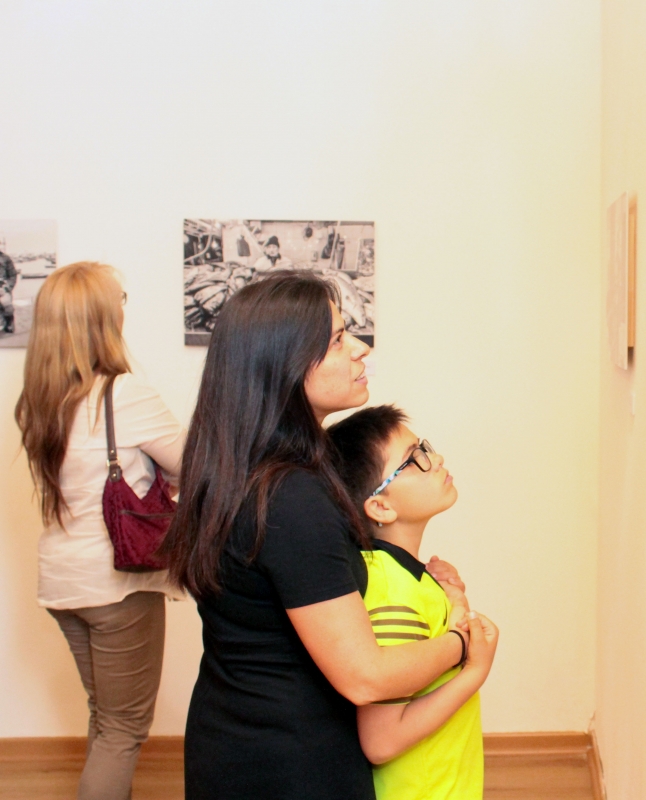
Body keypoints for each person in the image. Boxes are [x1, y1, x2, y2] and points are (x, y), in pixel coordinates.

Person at [160, 271, 479, 800]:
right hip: (289, 764)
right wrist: (462, 644)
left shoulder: (244, 467)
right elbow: (366, 677)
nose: (359, 348)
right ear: (284, 366)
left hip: (233, 737)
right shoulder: (290, 496)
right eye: (336, 339)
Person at [14, 262, 186, 800]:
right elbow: (194, 467)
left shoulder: (39, 400)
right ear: (102, 319)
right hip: (117, 584)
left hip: (63, 583)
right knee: (125, 729)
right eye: (120, 302)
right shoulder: (123, 394)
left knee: (106, 717)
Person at [328, 405, 499, 800]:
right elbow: (381, 741)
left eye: (425, 447)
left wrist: (454, 599)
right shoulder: (394, 595)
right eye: (415, 459)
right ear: (380, 506)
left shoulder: (405, 578)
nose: (435, 459)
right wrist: (475, 670)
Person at [0, 236, 17, 333]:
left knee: (7, 306)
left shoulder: (5, 259)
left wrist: (7, 288)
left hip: (2, 288)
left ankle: (9, 322)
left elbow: (13, 275)